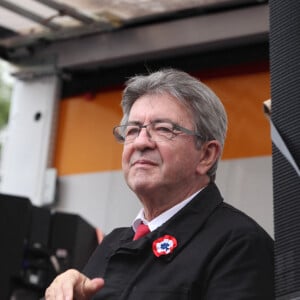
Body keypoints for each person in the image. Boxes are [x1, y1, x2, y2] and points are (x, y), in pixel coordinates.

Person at [45, 68, 274, 299]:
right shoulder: (111, 244)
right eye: (133, 130)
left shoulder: (239, 244)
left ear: (206, 155)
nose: (141, 142)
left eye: (163, 129)